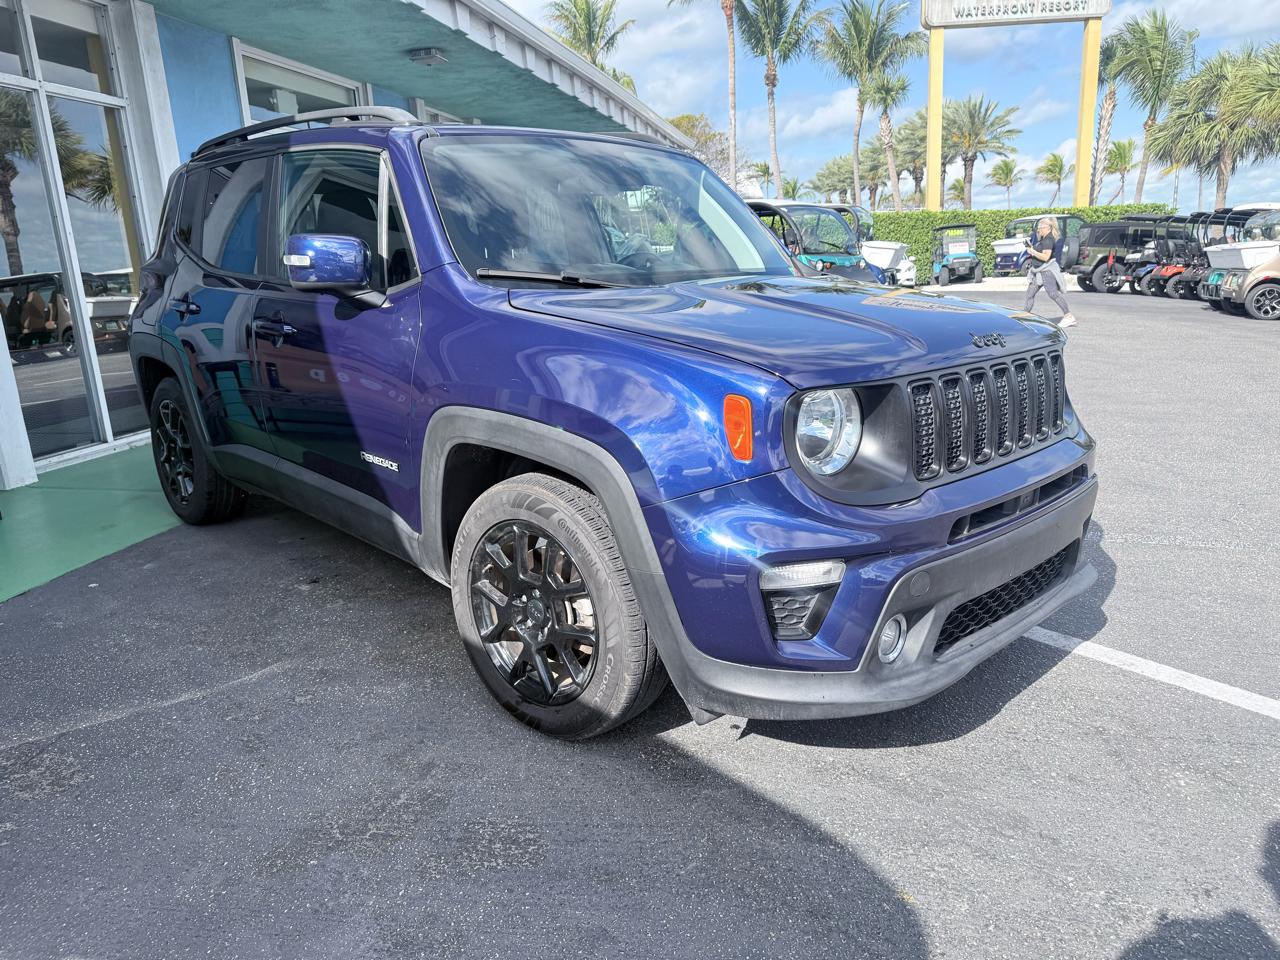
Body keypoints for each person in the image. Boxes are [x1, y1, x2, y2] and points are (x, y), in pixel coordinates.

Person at [1024, 217, 1076, 328]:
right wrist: (1031, 248)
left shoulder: (1048, 240)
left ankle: (1068, 316)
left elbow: (1045, 257)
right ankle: (1024, 317)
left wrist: (1032, 252)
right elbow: (1040, 252)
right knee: (1030, 294)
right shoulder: (1044, 239)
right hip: (1038, 271)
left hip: (1046, 271)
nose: (1038, 230)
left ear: (1047, 228)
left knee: (1053, 294)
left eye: (1040, 228)